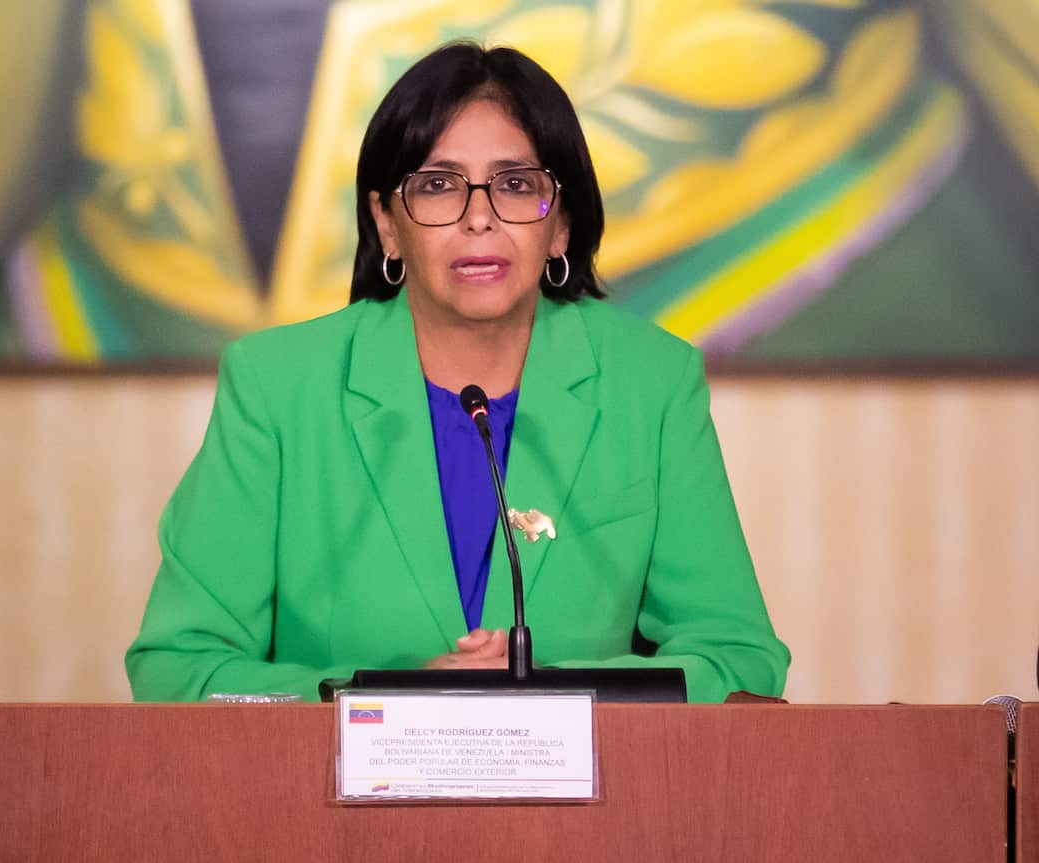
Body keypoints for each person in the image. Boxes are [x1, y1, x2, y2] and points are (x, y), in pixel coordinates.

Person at [126, 42, 789, 703]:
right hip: (334, 803)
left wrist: (549, 697)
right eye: (438, 185)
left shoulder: (652, 384)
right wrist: (383, 699)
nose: (479, 217)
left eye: (516, 184)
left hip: (584, 806)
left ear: (560, 224)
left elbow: (738, 658)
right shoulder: (277, 386)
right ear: (386, 223)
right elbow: (178, 668)